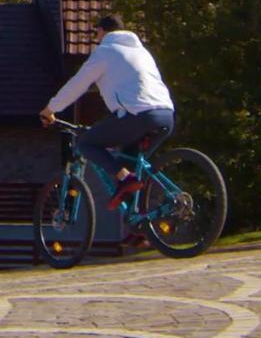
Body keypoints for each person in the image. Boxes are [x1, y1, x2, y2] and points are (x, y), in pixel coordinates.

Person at [40, 15, 175, 209]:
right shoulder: (142, 52)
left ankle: (125, 179)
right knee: (127, 164)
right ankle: (138, 226)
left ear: (103, 31)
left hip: (137, 116)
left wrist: (50, 109)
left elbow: (77, 85)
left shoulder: (105, 51)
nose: (96, 37)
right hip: (166, 115)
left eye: (97, 32)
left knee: (86, 142)